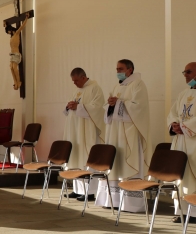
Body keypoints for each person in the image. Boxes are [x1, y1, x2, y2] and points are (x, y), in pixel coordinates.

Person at [95, 59, 151, 213]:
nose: (117, 71)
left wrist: (119, 103)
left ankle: (131, 204)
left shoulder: (138, 84)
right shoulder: (117, 86)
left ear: (129, 70)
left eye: (120, 69)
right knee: (115, 164)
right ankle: (113, 200)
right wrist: (111, 105)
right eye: (116, 69)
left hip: (129, 133)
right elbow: (110, 110)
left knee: (128, 162)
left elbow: (139, 108)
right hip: (115, 132)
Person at [62, 68, 105, 201]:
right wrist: (69, 106)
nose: (74, 83)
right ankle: (78, 189)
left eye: (76, 80)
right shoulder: (77, 90)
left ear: (83, 77)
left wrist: (79, 107)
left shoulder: (95, 88)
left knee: (86, 157)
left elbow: (97, 108)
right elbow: (70, 108)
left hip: (87, 131)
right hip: (76, 131)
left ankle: (90, 192)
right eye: (73, 81)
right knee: (76, 157)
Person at [167, 61, 196, 224]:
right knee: (181, 177)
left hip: (194, 142)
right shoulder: (183, 94)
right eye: (184, 72)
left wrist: (184, 127)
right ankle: (182, 212)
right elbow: (172, 113)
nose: (185, 75)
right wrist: (174, 124)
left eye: (188, 72)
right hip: (181, 141)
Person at [5, 13, 29, 90]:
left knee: (15, 68)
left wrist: (26, 18)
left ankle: (19, 82)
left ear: (11, 30)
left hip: (16, 54)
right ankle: (15, 82)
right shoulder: (12, 37)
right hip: (12, 54)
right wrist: (5, 24)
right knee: (11, 67)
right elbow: (6, 25)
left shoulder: (16, 34)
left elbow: (22, 26)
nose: (8, 33)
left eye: (8, 31)